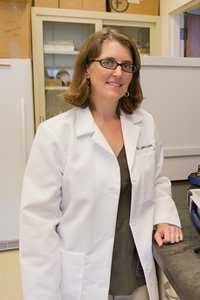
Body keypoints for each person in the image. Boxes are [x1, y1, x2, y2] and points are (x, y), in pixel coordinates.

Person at [19, 28, 183, 300]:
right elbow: (38, 228)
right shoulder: (54, 134)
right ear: (86, 68)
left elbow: (157, 181)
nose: (118, 73)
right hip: (83, 279)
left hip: (137, 274)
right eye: (108, 62)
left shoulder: (145, 123)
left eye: (127, 65)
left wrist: (164, 218)